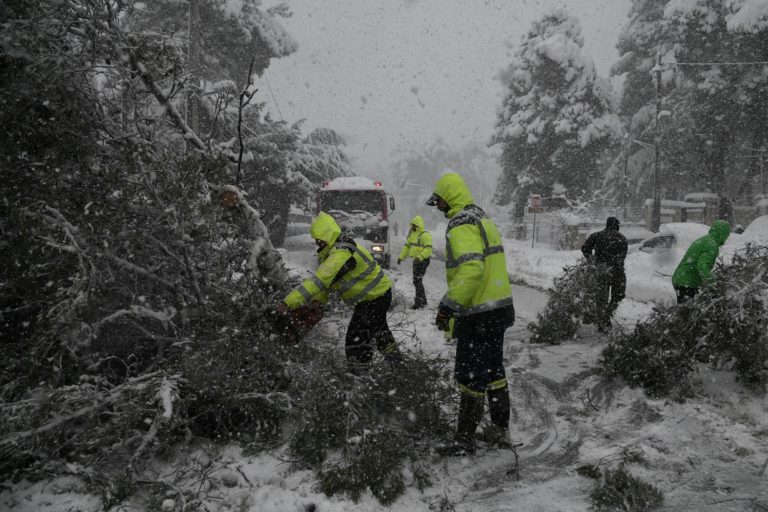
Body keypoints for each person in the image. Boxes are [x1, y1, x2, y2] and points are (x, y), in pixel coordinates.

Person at [425, 172, 515, 454]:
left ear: (447, 198)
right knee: (493, 371)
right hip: (499, 307)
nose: (437, 207)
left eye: (438, 202)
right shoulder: (482, 218)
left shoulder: (460, 224)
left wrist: (448, 306)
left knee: (470, 375)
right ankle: (500, 430)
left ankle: (464, 441)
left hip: (478, 313)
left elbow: (472, 269)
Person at [278, 212, 402, 370]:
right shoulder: (333, 252)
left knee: (356, 338)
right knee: (379, 331)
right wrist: (318, 302)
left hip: (374, 298)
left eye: (319, 237)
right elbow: (327, 284)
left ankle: (360, 373)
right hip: (377, 296)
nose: (316, 242)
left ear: (327, 234)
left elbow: (318, 282)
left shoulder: (340, 253)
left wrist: (287, 303)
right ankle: (397, 362)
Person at [580, 217, 628, 331]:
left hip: (601, 270)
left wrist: (591, 259)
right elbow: (623, 256)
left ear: (607, 225)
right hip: (618, 272)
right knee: (618, 295)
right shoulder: (622, 239)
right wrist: (615, 263)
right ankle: (607, 314)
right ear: (617, 226)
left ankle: (602, 319)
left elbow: (585, 248)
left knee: (601, 298)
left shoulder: (596, 236)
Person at [671, 219, 730, 304]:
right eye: (727, 235)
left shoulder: (704, 240)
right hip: (687, 281)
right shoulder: (712, 245)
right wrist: (713, 283)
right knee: (688, 312)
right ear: (723, 234)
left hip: (681, 278)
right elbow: (702, 266)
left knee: (685, 311)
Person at [397, 215, 433, 309]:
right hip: (417, 261)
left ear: (418, 225)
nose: (412, 226)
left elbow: (428, 249)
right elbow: (406, 247)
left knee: (417, 280)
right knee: (417, 281)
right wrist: (401, 257)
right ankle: (423, 301)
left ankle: (419, 302)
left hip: (423, 260)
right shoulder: (412, 235)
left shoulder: (425, 235)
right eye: (412, 225)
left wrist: (420, 257)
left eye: (414, 225)